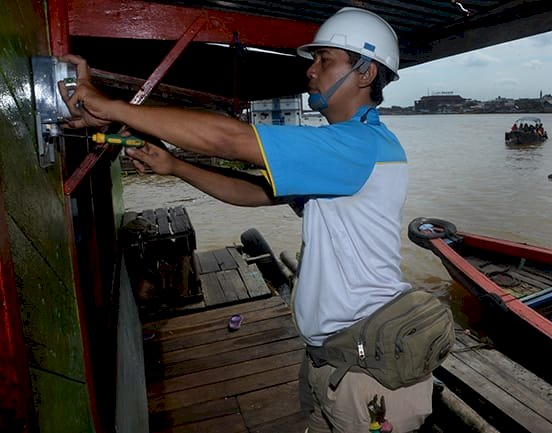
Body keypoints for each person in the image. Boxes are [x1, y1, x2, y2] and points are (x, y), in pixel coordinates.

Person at [60, 7, 433, 432]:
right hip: (334, 359)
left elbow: (228, 138)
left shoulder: (359, 146)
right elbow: (253, 191)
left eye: (325, 60)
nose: (310, 72)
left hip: (369, 374)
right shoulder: (343, 151)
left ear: (365, 74)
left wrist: (111, 107)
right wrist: (176, 166)